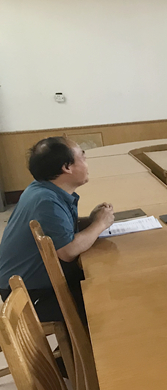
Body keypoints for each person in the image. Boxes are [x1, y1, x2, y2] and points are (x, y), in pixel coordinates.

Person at [0, 137, 115, 323]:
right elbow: (67, 251)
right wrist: (99, 224)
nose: (86, 163)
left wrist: (91, 221)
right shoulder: (46, 201)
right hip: (30, 295)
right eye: (82, 157)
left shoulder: (44, 190)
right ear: (67, 167)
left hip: (32, 285)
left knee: (103, 278)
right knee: (105, 301)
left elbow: (62, 232)